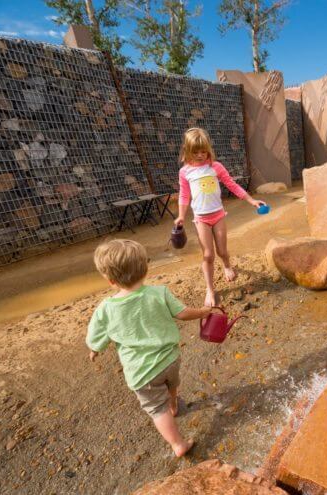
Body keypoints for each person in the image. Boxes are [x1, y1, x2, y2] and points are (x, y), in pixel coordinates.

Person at [86, 239, 213, 457]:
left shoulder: (105, 309)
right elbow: (183, 313)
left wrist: (94, 349)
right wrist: (203, 312)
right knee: (171, 384)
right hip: (170, 359)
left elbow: (96, 337)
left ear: (110, 280)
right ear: (145, 268)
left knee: (156, 409)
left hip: (142, 372)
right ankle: (173, 404)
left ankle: (178, 444)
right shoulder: (159, 293)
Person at [173, 128, 265, 307]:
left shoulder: (215, 167)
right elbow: (184, 195)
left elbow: (232, 185)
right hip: (201, 219)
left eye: (203, 151)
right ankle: (210, 288)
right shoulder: (185, 172)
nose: (200, 155)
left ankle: (227, 265)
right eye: (195, 151)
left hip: (218, 215)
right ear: (187, 150)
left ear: (208, 149)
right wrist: (181, 216)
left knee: (222, 251)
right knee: (208, 255)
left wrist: (251, 200)